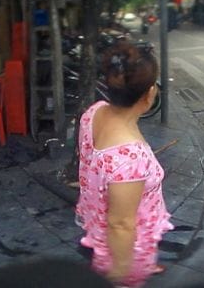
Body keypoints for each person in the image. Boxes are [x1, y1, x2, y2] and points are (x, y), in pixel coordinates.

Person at [76, 42, 173, 287]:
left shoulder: (94, 112)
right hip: (125, 252)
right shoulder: (131, 158)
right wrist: (120, 270)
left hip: (98, 228)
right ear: (149, 94)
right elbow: (121, 223)